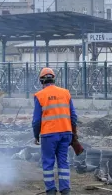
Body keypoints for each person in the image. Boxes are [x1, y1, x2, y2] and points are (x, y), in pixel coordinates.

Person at [33, 67, 78, 195]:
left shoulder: (39, 95)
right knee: (63, 162)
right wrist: (73, 133)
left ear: (41, 81)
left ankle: (51, 190)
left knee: (48, 163)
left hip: (49, 135)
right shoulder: (66, 93)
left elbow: (36, 121)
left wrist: (36, 135)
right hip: (66, 133)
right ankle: (65, 190)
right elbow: (73, 116)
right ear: (54, 79)